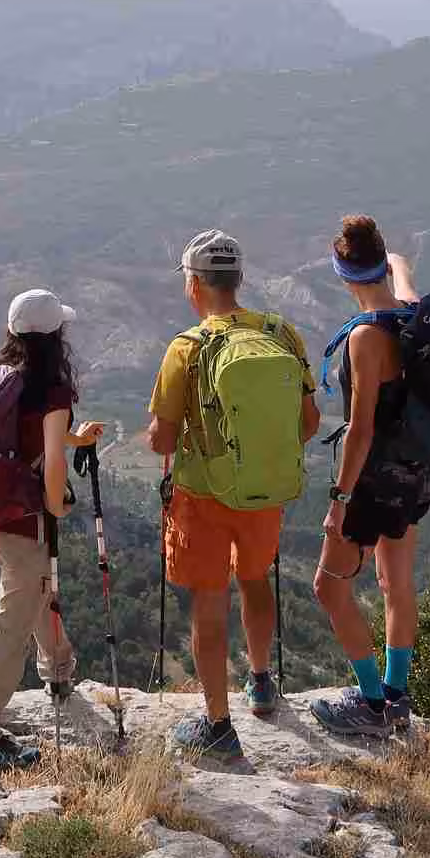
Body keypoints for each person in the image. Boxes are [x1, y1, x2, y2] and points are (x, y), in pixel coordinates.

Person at [146, 230, 321, 762]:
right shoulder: (281, 334)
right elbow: (309, 422)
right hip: (264, 491)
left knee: (209, 599)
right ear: (238, 279)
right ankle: (263, 682)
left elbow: (161, 439)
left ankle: (218, 724)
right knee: (255, 579)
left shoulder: (187, 349)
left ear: (193, 284)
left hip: (202, 495)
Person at [0, 288, 105, 772]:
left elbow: (30, 432)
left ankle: (58, 670)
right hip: (24, 522)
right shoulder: (53, 389)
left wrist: (73, 436)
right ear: (56, 337)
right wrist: (57, 505)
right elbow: (53, 467)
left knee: (38, 588)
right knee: (11, 626)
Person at [309, 215, 430, 738]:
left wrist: (339, 499)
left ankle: (371, 703)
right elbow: (402, 266)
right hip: (416, 472)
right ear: (381, 263)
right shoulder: (411, 309)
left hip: (373, 482)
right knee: (396, 584)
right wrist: (393, 261)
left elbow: (359, 431)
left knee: (328, 589)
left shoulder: (365, 338)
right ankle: (397, 696)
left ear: (342, 275)